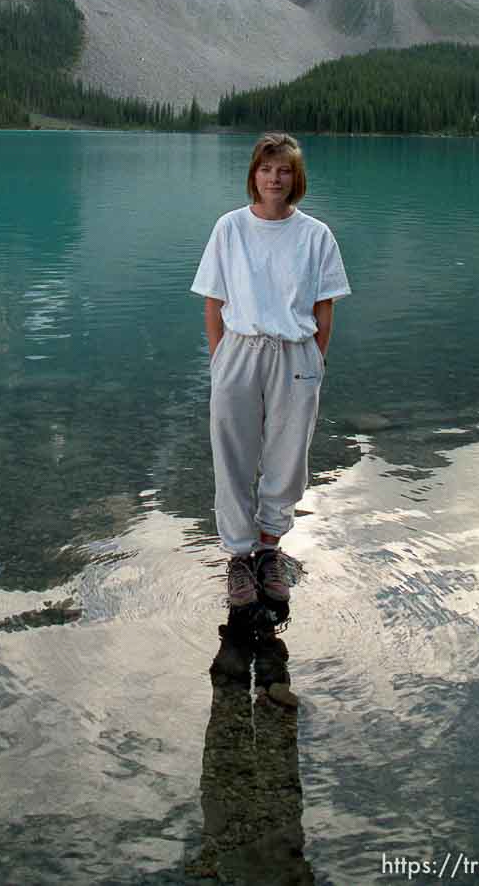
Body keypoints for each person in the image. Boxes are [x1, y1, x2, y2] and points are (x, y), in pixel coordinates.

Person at [190, 132, 351, 608]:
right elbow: (213, 303)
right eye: (266, 169)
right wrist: (221, 357)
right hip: (239, 350)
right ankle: (239, 557)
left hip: (295, 353)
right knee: (233, 452)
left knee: (287, 456)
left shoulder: (316, 234)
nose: (274, 178)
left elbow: (325, 307)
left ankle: (268, 550)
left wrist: (315, 358)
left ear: (295, 178)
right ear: (253, 176)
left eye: (283, 170)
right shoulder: (230, 228)